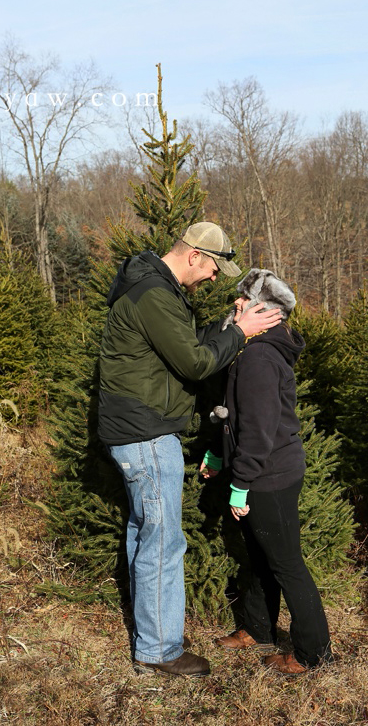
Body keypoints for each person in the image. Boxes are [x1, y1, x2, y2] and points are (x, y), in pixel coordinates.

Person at [98, 222, 283, 677]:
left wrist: (220, 329)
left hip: (136, 430)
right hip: (145, 433)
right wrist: (240, 332)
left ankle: (151, 639)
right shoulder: (154, 294)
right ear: (196, 255)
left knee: (147, 534)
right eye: (216, 268)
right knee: (163, 542)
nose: (216, 278)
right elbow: (195, 362)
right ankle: (159, 652)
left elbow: (179, 345)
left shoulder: (153, 288)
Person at [201, 269, 334, 675]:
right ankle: (258, 629)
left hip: (269, 476)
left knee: (287, 564)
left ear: (266, 312)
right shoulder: (251, 350)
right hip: (265, 470)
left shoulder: (258, 358)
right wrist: (221, 456)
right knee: (262, 555)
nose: (235, 305)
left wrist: (240, 483)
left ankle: (314, 654)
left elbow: (257, 434)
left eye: (245, 300)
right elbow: (237, 419)